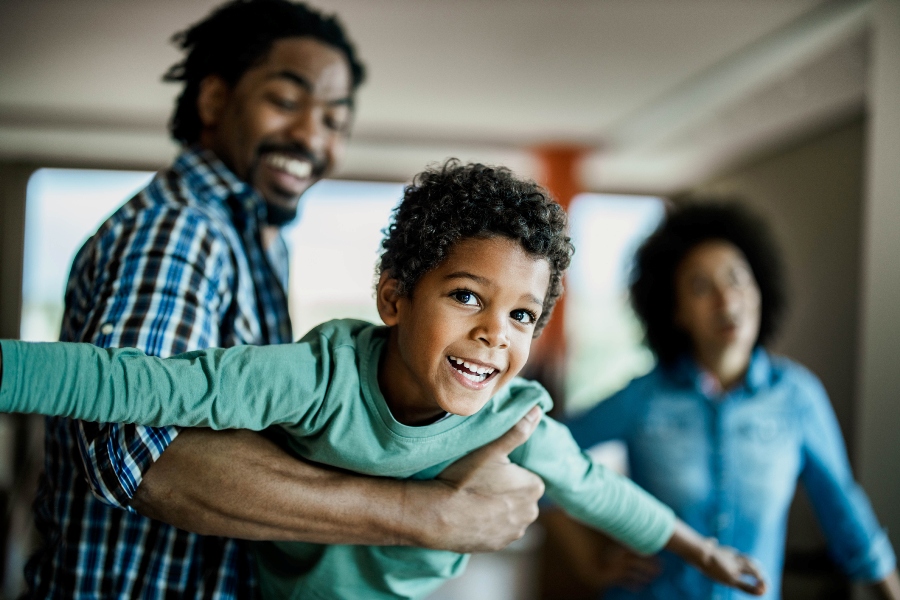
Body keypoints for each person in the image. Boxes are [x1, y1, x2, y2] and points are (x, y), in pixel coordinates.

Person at [0, 161, 767, 599]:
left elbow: (595, 488)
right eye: (467, 296)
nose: (495, 333)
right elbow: (137, 385)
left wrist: (701, 551)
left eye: (523, 316)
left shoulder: (515, 417)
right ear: (394, 297)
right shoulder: (317, 376)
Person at [20, 1, 545, 597]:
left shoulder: (257, 247)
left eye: (334, 120)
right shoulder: (181, 230)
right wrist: (418, 513)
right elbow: (141, 454)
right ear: (215, 100)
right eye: (286, 102)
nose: (310, 137)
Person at [544, 202, 900, 599]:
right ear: (676, 311)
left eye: (736, 278)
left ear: (760, 288)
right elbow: (543, 455)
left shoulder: (797, 397)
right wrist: (590, 561)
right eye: (700, 287)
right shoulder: (642, 398)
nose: (726, 300)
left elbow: (845, 514)